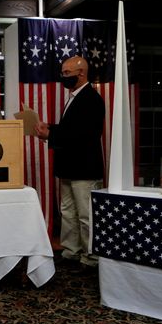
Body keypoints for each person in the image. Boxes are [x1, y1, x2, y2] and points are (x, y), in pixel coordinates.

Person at [34, 55, 105, 268]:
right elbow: (70, 129)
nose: (63, 77)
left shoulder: (92, 98)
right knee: (68, 211)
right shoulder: (74, 97)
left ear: (81, 73)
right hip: (68, 166)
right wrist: (52, 127)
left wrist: (51, 136)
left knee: (85, 215)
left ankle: (90, 257)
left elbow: (84, 135)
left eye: (66, 73)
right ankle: (72, 251)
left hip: (84, 168)